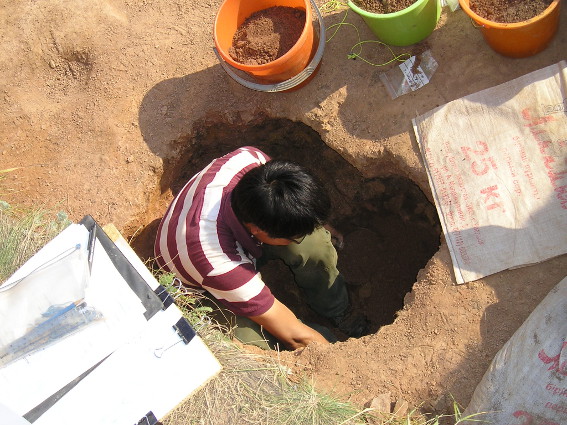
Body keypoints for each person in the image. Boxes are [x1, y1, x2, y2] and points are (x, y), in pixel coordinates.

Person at [154, 146, 367, 350]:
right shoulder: (216, 262)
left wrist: (317, 221)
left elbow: (292, 201)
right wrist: (338, 359)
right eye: (292, 237)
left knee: (315, 243)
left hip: (223, 239)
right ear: (258, 231)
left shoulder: (251, 162)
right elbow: (295, 336)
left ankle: (338, 309)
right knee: (250, 340)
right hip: (201, 285)